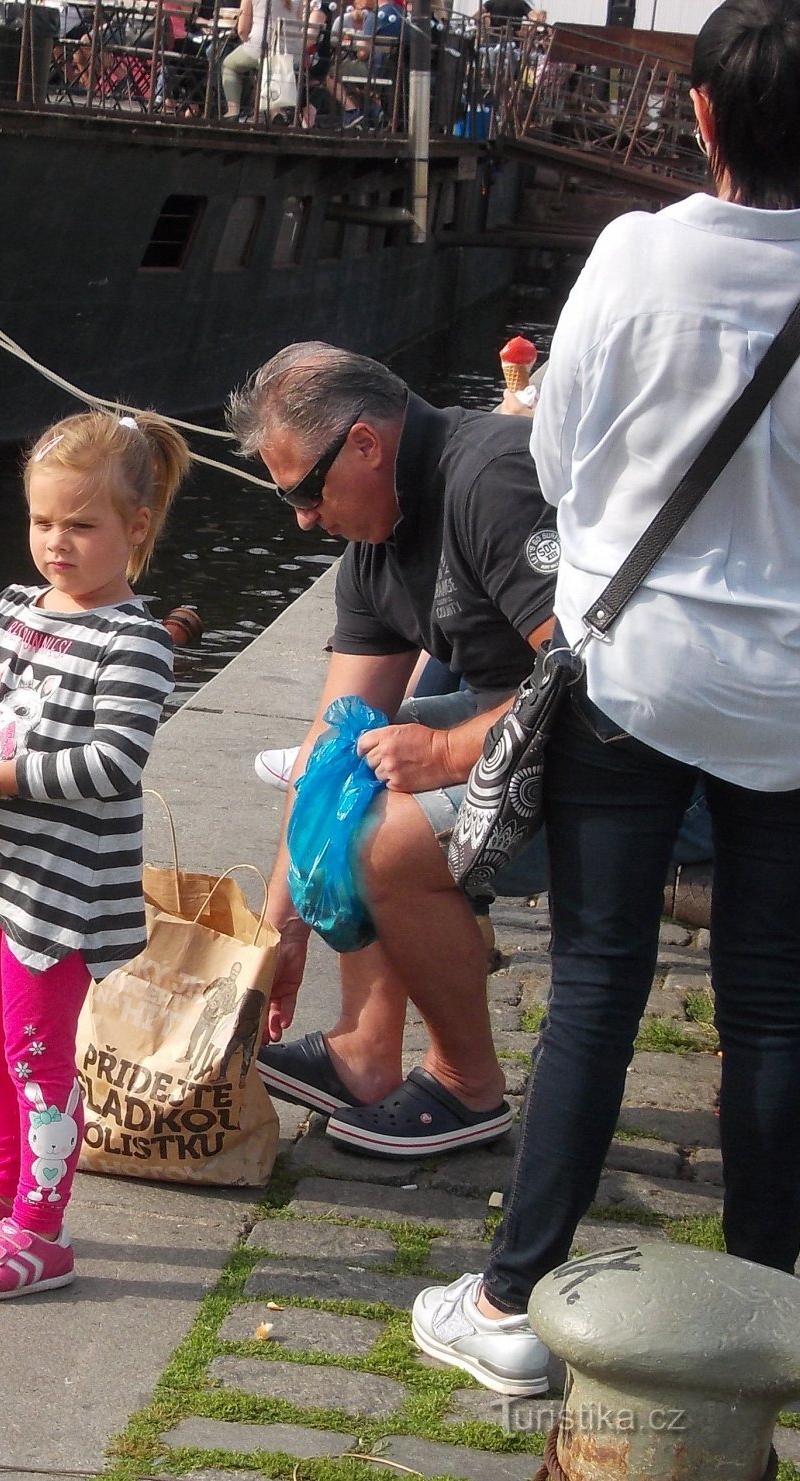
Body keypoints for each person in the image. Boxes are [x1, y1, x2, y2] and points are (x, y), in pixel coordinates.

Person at [412, 0, 800, 1398]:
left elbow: (554, 458)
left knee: (599, 986)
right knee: (769, 1001)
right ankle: (762, 1307)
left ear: (701, 120)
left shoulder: (631, 254)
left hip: (643, 676)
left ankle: (509, 1299)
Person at [225, 344, 556, 1160]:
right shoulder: (373, 539)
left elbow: (593, 680)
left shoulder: (492, 482)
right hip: (522, 721)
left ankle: (465, 1086)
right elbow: (332, 737)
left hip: (646, 764)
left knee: (389, 840)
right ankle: (364, 1054)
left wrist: (445, 753)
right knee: (347, 784)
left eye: (305, 491)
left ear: (366, 444)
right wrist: (280, 929)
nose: (302, 517)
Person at [0, 410, 191, 1300]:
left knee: (36, 1054)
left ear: (136, 528)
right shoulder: (8, 609)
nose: (55, 544)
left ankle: (41, 1223)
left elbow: (113, 761)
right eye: (41, 522)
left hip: (55, 888)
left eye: (81, 525)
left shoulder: (134, 640)